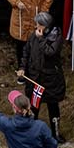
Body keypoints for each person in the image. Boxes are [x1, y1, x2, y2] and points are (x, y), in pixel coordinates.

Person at [17, 8, 67, 137]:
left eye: (39, 24)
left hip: (50, 78)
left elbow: (50, 52)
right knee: (34, 106)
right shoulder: (34, 35)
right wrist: (22, 67)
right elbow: (26, 52)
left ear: (46, 25)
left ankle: (56, 134)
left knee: (53, 106)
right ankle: (31, 133)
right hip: (34, 76)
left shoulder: (56, 36)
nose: (36, 26)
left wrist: (41, 39)